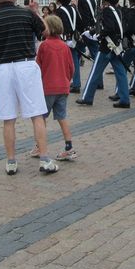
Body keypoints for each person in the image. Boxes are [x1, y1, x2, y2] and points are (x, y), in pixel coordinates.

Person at [0, 0, 58, 176]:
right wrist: (35, 11)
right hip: (25, 65)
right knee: (36, 115)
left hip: (3, 68)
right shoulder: (25, 14)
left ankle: (11, 161)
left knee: (8, 119)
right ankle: (45, 158)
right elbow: (46, 32)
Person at [76, 0, 130, 109]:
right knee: (121, 72)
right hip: (116, 46)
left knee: (95, 71)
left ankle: (87, 97)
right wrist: (93, 31)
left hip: (107, 46)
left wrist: (99, 35)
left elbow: (109, 28)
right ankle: (125, 99)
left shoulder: (107, 11)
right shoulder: (117, 10)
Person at [36, 15, 77, 161]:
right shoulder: (65, 46)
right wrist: (66, 80)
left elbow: (38, 67)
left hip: (47, 88)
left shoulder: (44, 46)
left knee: (40, 119)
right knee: (62, 117)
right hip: (63, 87)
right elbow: (71, 67)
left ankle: (39, 146)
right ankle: (69, 146)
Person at [70, 0, 97, 93]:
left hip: (84, 33)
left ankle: (76, 84)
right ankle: (99, 82)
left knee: (75, 55)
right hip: (93, 31)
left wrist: (74, 7)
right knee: (97, 58)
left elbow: (81, 17)